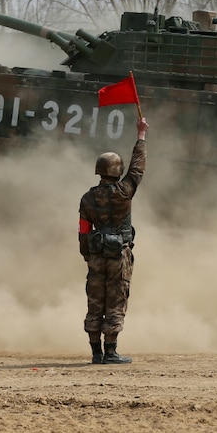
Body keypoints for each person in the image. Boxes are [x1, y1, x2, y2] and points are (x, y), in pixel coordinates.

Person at [78, 117, 149, 364]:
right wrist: (141, 136)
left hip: (97, 255)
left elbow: (84, 230)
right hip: (119, 255)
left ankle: (95, 352)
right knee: (116, 299)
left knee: (95, 299)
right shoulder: (124, 193)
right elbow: (137, 169)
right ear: (117, 171)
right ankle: (110, 351)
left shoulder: (87, 198)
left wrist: (88, 255)